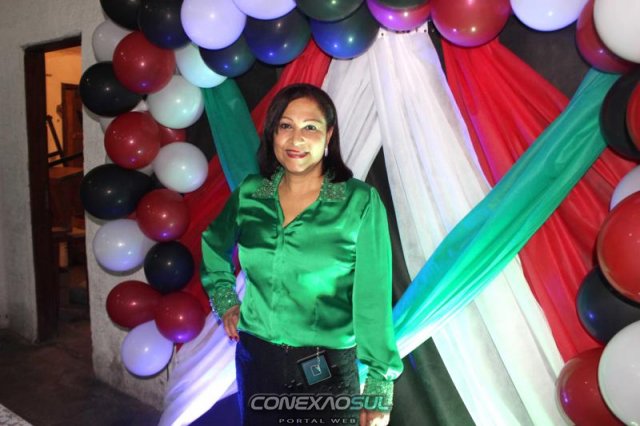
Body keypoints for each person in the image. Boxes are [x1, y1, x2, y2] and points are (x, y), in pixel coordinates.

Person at [201, 83, 403, 426]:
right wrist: (225, 300)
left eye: (310, 127)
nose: (296, 139)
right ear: (272, 133)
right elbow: (213, 243)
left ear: (328, 136)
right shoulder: (251, 194)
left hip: (324, 370)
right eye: (286, 125)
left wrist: (378, 388)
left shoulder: (358, 202)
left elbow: (373, 299)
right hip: (257, 361)